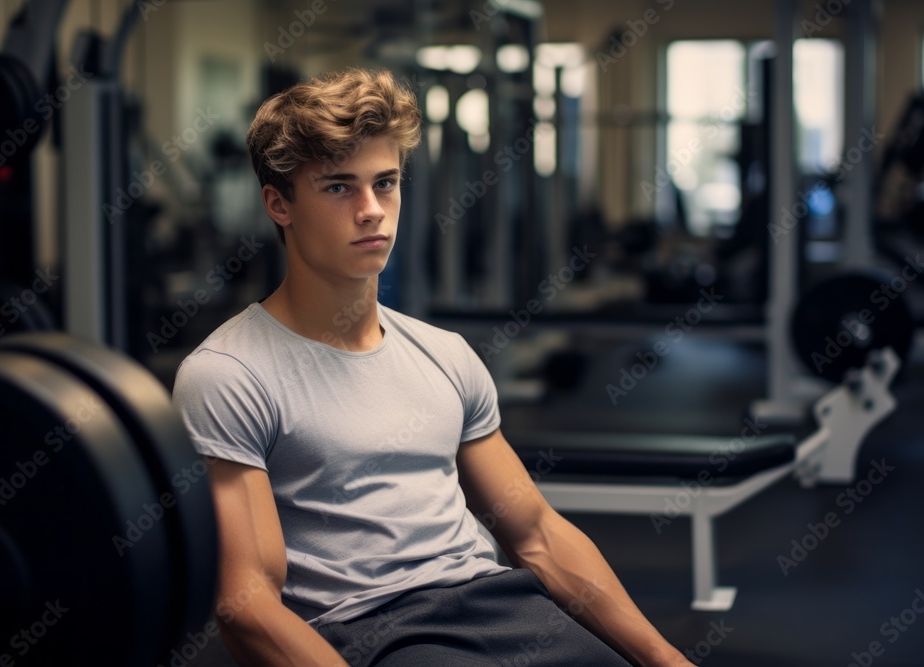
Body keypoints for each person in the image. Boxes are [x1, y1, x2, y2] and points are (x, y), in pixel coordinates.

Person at [172, 68, 691, 667]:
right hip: (374, 630)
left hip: (503, 606)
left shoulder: (444, 354)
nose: (372, 211)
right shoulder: (229, 375)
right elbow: (246, 602)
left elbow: (537, 534)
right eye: (339, 188)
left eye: (385, 183)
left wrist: (665, 658)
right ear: (278, 204)